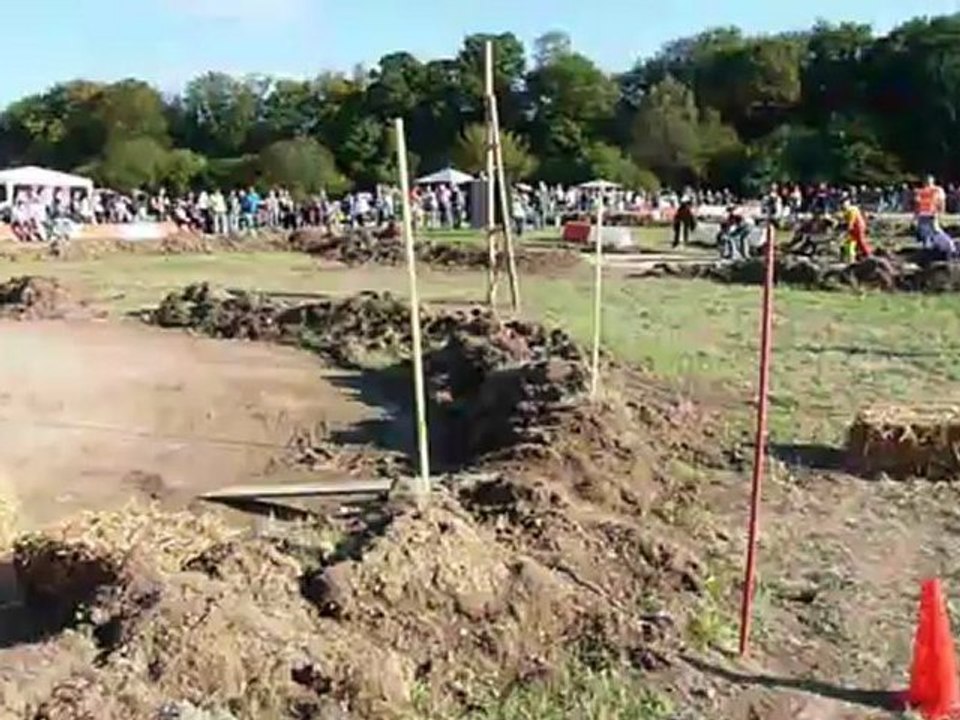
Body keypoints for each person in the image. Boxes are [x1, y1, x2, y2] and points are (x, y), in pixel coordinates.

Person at [915, 175, 946, 247]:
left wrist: (941, 211)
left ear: (933, 181)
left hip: (932, 212)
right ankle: (927, 245)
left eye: (929, 181)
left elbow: (942, 201)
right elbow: (918, 203)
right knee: (924, 230)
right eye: (926, 181)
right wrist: (916, 214)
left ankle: (945, 243)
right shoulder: (921, 191)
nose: (928, 183)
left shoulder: (937, 190)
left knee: (935, 229)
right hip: (922, 213)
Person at [839, 196, 872, 263]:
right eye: (842, 204)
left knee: (861, 241)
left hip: (859, 227)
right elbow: (845, 219)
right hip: (854, 228)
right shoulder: (846, 211)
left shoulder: (852, 210)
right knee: (851, 242)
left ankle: (868, 254)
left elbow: (851, 221)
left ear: (848, 203)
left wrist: (848, 228)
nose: (843, 205)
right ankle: (857, 255)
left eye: (844, 203)